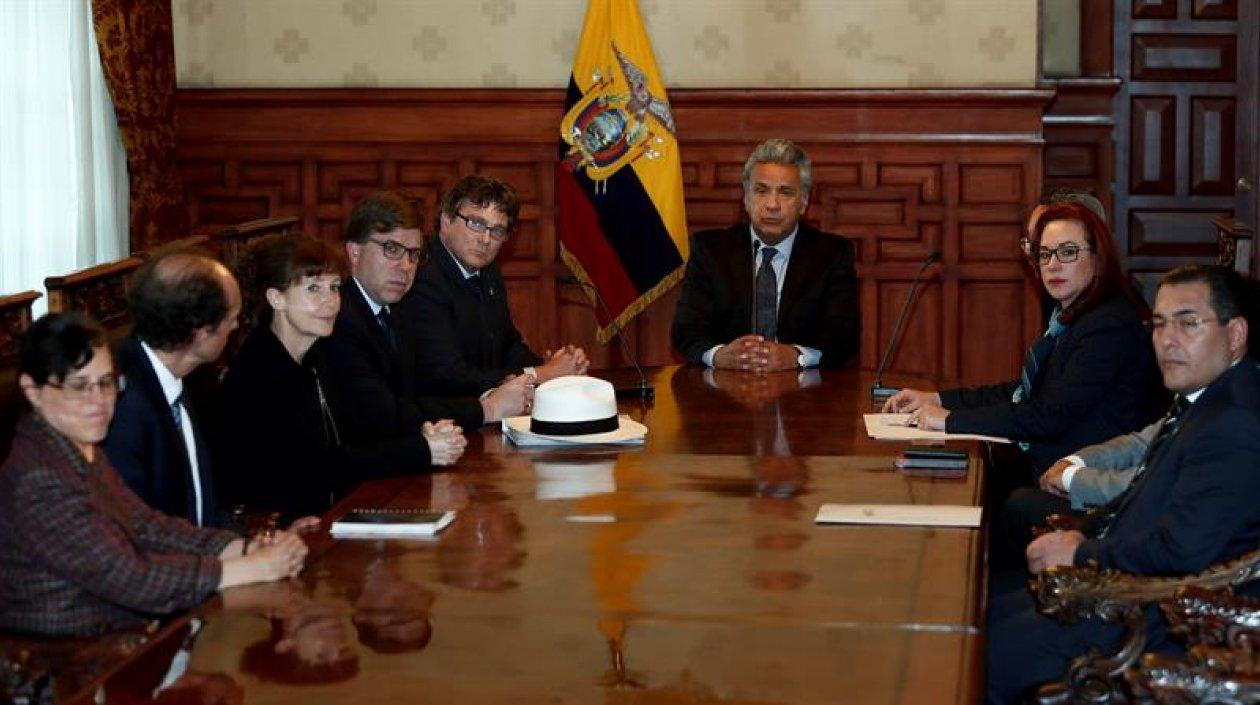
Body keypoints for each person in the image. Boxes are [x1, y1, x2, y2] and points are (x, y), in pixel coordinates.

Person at [987, 264, 1260, 704]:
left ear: (1235, 334)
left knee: (977, 648)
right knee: (976, 610)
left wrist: (1079, 550)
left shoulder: (1236, 423)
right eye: (1158, 324)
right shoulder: (1211, 398)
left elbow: (1181, 551)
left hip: (1153, 621)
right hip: (1120, 590)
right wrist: (1082, 536)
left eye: (1188, 323)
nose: (1167, 339)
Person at [0, 312, 308, 637]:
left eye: (106, 383)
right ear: (32, 391)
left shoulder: (76, 446)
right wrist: (249, 568)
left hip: (121, 640)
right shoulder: (38, 478)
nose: (100, 401)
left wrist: (241, 548)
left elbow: (147, 526)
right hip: (70, 663)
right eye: (79, 387)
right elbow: (131, 578)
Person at [884, 201, 1164, 478]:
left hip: (1079, 478)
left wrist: (950, 420)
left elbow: (1048, 414)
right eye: (1044, 254)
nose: (1052, 265)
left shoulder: (1108, 325)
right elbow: (1024, 392)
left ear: (1097, 256)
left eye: (1067, 252)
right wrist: (936, 398)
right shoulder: (1071, 315)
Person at [215, 234, 467, 525]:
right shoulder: (260, 371)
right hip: (276, 529)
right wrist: (421, 450)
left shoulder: (316, 355)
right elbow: (317, 466)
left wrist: (424, 437)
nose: (330, 302)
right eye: (313, 289)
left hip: (325, 513)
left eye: (334, 288)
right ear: (276, 298)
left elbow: (359, 431)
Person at [322, 191, 532, 450]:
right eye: (392, 250)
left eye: (413, 254)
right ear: (354, 252)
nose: (405, 266)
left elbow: (419, 396)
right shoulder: (339, 320)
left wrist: (499, 395)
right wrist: (485, 409)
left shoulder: (396, 312)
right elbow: (384, 416)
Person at [671, 138, 859, 371]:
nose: (772, 204)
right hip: (724, 393)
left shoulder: (831, 254)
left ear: (803, 202)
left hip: (805, 397)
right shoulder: (711, 251)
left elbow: (845, 338)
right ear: (746, 199)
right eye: (761, 190)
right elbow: (685, 331)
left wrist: (795, 356)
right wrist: (719, 356)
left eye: (785, 192)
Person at [402, 175, 589, 396]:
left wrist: (555, 367)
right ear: (446, 221)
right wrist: (540, 374)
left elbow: (508, 346)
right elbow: (447, 375)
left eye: (497, 230)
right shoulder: (421, 275)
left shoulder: (488, 272)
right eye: (476, 224)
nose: (485, 239)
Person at [103, 252, 242, 526]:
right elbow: (140, 531)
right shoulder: (124, 407)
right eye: (232, 317)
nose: (236, 325)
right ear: (200, 331)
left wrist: (250, 544)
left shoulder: (183, 377)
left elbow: (203, 505)